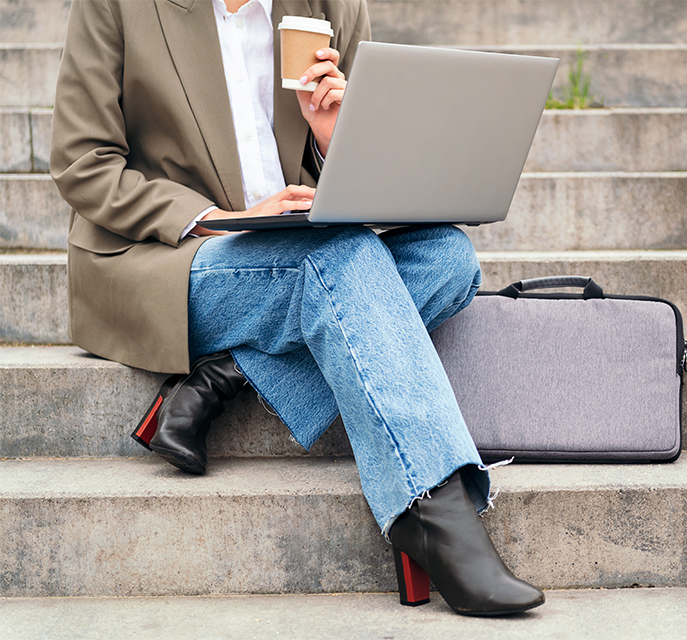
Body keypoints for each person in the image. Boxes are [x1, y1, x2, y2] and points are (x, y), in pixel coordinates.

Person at [50, 0, 544, 617]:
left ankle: (231, 370)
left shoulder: (330, 6)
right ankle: (434, 509)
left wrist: (333, 139)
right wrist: (224, 221)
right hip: (169, 257)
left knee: (447, 258)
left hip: (299, 244)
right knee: (337, 259)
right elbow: (83, 162)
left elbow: (372, 178)